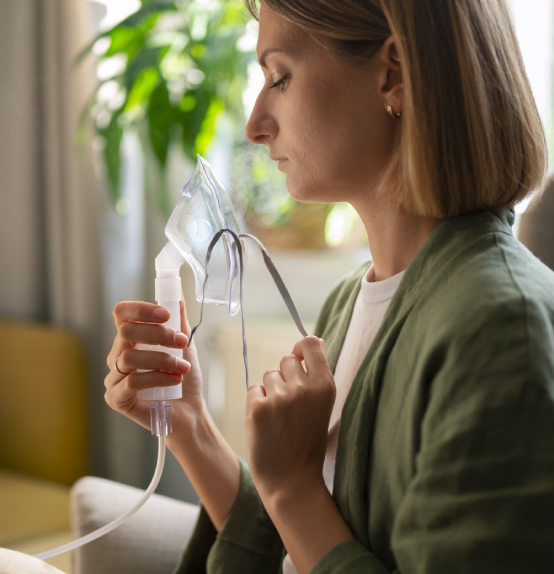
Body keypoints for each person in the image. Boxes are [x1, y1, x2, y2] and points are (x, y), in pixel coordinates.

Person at [105, 0, 554, 572]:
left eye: (280, 78)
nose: (254, 125)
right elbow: (305, 549)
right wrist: (191, 426)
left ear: (392, 74)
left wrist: (293, 487)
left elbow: (304, 513)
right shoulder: (352, 301)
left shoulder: (501, 331)